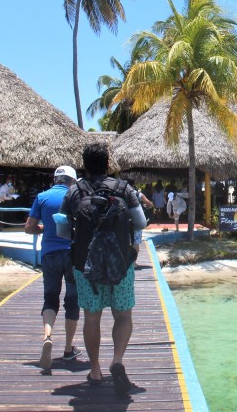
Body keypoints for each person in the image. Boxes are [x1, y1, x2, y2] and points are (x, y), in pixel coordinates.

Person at [59, 143, 146, 394]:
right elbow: (140, 222)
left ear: (84, 165)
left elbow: (64, 233)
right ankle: (117, 361)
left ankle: (94, 369)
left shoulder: (74, 191)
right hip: (121, 263)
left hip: (85, 265)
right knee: (123, 315)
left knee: (92, 317)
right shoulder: (124, 189)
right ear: (108, 163)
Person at [24, 166, 82, 372]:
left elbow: (29, 227)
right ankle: (68, 349)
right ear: (72, 181)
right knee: (72, 301)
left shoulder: (42, 197)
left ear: (56, 179)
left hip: (49, 254)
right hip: (73, 254)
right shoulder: (76, 196)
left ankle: (47, 336)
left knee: (50, 298)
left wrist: (44, 228)